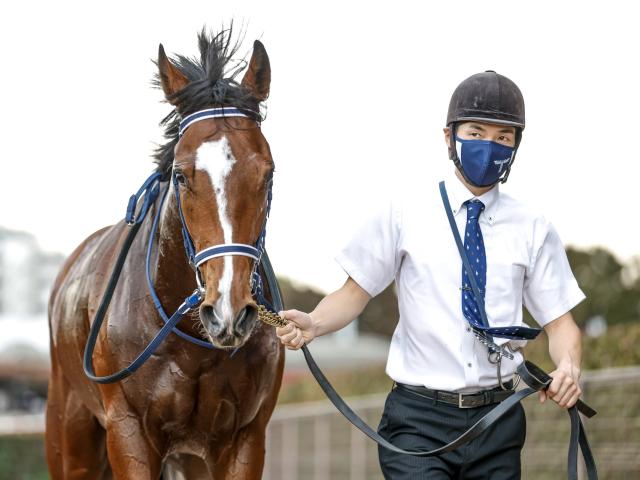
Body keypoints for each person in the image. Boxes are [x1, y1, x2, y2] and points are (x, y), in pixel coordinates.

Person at [276, 71, 585, 479]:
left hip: (499, 420)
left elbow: (561, 323)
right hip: (418, 420)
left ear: (516, 145)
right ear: (448, 136)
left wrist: (568, 368)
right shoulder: (405, 210)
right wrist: (314, 322)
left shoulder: (534, 227)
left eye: (503, 137)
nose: (489, 145)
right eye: (476, 131)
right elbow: (354, 292)